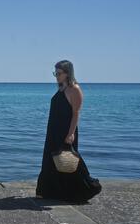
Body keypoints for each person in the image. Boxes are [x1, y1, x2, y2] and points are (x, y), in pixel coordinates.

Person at [35, 60, 101, 203]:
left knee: (69, 160)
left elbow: (76, 113)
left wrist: (71, 133)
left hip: (65, 131)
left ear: (67, 73)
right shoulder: (61, 88)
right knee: (50, 160)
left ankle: (88, 187)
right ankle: (48, 191)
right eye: (55, 73)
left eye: (59, 73)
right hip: (53, 131)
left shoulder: (74, 89)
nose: (56, 76)